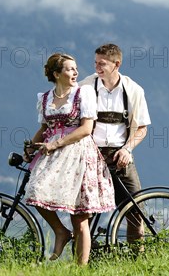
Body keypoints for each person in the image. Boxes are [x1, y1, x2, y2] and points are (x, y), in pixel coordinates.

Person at [24, 53, 115, 265]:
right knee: (35, 190)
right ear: (56, 74)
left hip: (79, 154)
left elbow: (86, 129)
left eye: (75, 68)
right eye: (69, 69)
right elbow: (44, 129)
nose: (75, 72)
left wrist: (56, 143)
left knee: (80, 216)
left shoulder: (83, 94)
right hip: (53, 156)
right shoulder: (45, 98)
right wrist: (31, 146)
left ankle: (79, 271)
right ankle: (60, 232)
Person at [79, 43, 151, 242]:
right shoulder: (86, 87)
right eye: (95, 63)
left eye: (102, 64)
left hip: (121, 155)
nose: (97, 68)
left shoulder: (134, 90)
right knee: (86, 211)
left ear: (116, 64)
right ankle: (85, 262)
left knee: (136, 210)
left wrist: (127, 149)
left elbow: (142, 127)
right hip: (91, 156)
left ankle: (137, 260)